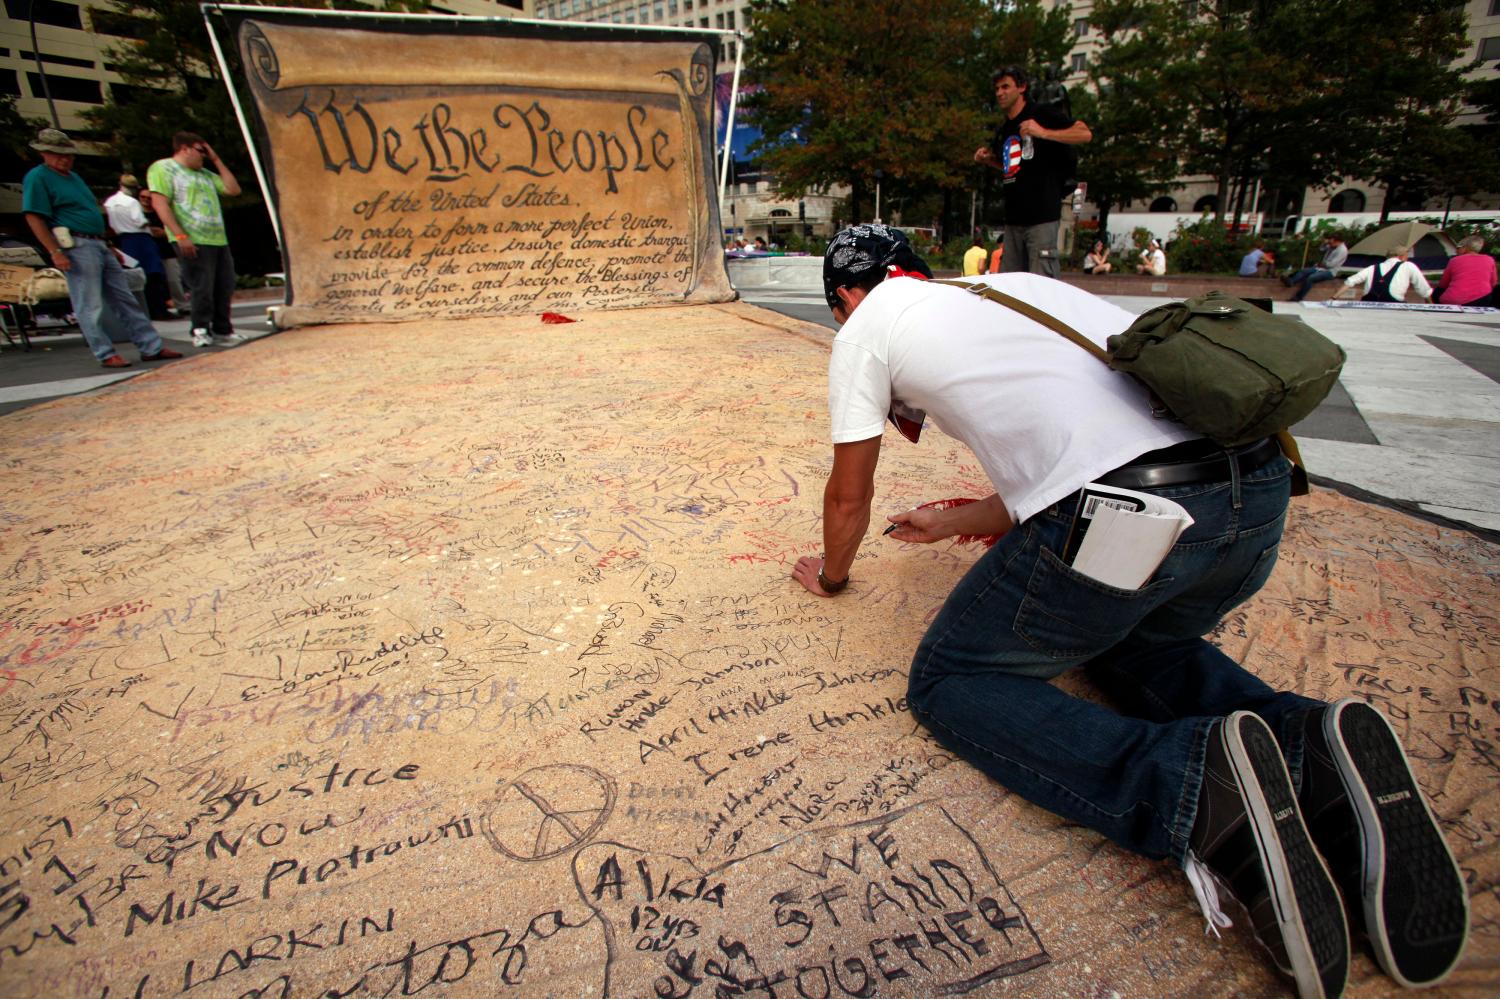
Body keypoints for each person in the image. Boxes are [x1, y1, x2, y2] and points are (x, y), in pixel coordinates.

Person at [795, 223, 1469, 999]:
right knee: (1126, 636)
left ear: (847, 295)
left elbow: (849, 495)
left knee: (952, 679)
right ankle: (1305, 739)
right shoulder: (1015, 292)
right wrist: (952, 521)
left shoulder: (866, 327)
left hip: (1139, 513)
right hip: (1255, 494)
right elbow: (1103, 439)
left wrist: (833, 575)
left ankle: (1189, 780)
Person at [20, 128, 181, 368]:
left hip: (96, 241)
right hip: (74, 243)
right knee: (89, 301)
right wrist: (55, 251)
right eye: (57, 154)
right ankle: (104, 352)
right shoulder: (38, 177)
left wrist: (108, 244)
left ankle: (150, 346)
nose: (65, 159)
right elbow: (34, 216)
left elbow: (90, 211)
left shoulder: (73, 178)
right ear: (44, 153)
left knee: (124, 296)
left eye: (68, 154)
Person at [973, 65, 1092, 278]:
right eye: (997, 88)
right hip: (1013, 219)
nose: (1000, 93)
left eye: (1006, 87)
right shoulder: (1005, 129)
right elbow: (1015, 167)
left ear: (1022, 88)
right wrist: (990, 160)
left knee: (1041, 285)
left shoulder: (1040, 113)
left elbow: (1084, 134)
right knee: (1011, 289)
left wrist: (1043, 132)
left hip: (1041, 215)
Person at [147, 131, 243, 347]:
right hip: (192, 237)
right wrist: (180, 235)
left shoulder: (205, 173)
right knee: (202, 286)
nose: (204, 156)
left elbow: (233, 189)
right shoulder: (163, 168)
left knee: (224, 285)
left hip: (217, 238)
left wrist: (216, 159)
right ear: (185, 148)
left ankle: (222, 328)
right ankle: (200, 328)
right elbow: (160, 203)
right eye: (201, 151)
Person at [103, 173, 171, 320]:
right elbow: (139, 221)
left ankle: (144, 309)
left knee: (135, 275)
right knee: (153, 275)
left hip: (124, 240)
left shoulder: (109, 202)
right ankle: (159, 310)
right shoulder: (132, 202)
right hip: (141, 238)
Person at [1337, 246, 1432, 303]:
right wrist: (1431, 304)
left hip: (1368, 304)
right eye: (1407, 257)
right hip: (1394, 305)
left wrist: (1334, 297)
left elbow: (1350, 281)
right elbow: (1423, 288)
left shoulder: (1372, 267)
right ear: (1402, 256)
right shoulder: (1408, 265)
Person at [1434, 235, 1496, 307]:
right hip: (1483, 299)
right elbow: (1493, 283)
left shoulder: (1454, 260)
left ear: (1465, 248)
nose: (1455, 250)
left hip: (1454, 300)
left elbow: (1443, 284)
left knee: (1436, 293)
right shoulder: (1489, 260)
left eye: (1458, 248)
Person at [1283, 234, 1347, 303]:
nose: (1330, 244)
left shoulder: (1342, 251)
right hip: (1321, 268)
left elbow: (1331, 265)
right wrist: (1324, 243)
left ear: (1338, 242)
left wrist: (1321, 264)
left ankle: (1298, 297)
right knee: (1304, 271)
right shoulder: (1333, 246)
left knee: (1311, 278)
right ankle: (1291, 281)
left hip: (1330, 272)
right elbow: (1321, 249)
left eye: (1331, 243)